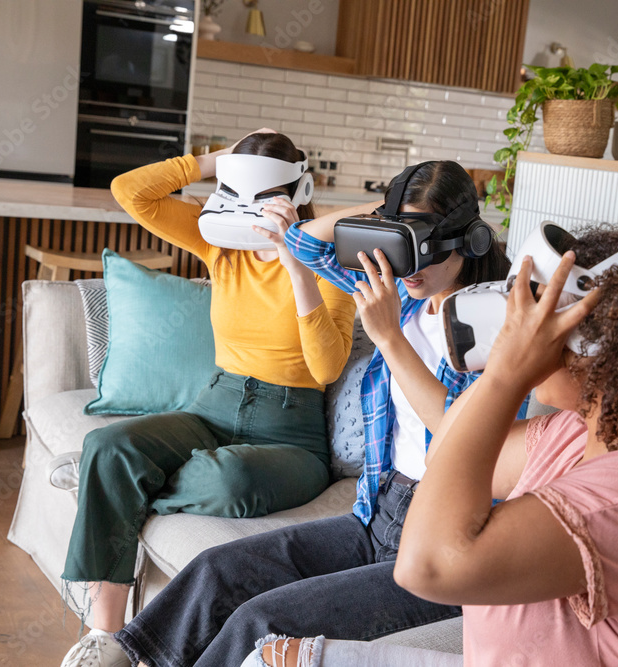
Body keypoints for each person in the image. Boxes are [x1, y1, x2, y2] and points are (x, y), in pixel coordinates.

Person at [252, 224, 618, 666]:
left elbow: (426, 566)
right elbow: (449, 445)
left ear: (592, 346)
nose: (518, 326)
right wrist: (470, 358)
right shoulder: (589, 431)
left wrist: (508, 374)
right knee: (269, 654)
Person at [109, 161, 518, 667]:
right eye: (398, 245)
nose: (407, 267)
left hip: (441, 542)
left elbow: (460, 438)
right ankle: (128, 658)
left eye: (423, 249)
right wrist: (386, 215)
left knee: (261, 620)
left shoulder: (493, 326)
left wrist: (388, 337)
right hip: (377, 512)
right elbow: (302, 243)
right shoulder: (406, 300)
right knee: (217, 571)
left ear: (470, 241)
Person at [55, 130, 357, 667]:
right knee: (108, 444)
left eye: (261, 196)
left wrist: (298, 261)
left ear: (297, 189)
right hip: (213, 404)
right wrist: (215, 161)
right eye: (236, 191)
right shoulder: (220, 243)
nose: (247, 209)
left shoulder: (329, 260)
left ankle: (113, 483)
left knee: (228, 480)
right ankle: (107, 639)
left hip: (290, 432)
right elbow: (131, 191)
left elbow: (327, 366)